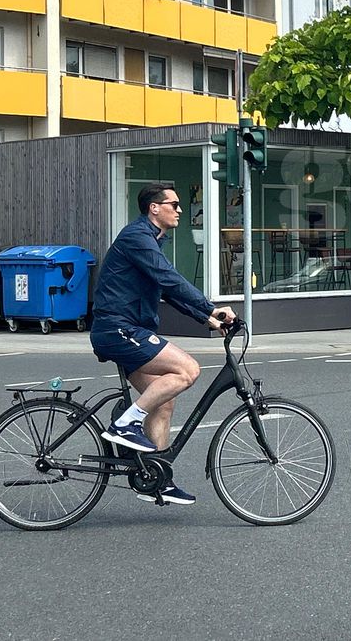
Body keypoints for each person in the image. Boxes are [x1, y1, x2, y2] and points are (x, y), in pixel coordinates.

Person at [91, 182, 236, 505]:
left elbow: (166, 290)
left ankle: (156, 476)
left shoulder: (151, 239)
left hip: (128, 330)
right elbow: (168, 277)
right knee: (187, 369)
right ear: (154, 208)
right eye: (174, 204)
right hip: (118, 328)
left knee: (164, 400)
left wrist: (206, 318)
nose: (180, 210)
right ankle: (125, 423)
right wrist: (212, 307)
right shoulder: (137, 237)